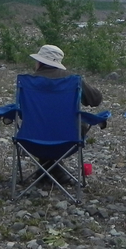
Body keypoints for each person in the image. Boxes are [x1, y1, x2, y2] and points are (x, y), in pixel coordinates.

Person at [29, 44, 104, 186]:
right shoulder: (72, 80)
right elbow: (95, 99)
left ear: (39, 62)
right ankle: (56, 171)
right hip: (68, 137)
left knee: (41, 126)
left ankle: (46, 169)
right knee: (77, 124)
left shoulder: (28, 82)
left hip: (31, 138)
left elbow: (22, 111)